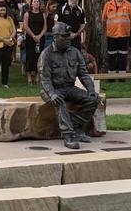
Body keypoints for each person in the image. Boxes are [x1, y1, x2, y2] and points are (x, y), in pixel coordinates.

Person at [38, 22, 99, 150]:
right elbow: (45, 80)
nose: (67, 39)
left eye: (68, 36)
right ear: (55, 37)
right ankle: (68, 136)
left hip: (69, 87)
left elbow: (83, 74)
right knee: (60, 102)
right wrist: (53, 94)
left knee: (93, 99)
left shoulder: (75, 52)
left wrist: (91, 90)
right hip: (51, 89)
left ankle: (75, 128)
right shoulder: (46, 54)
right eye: (63, 36)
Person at [102, 0, 131, 73]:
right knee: (111, 55)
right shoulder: (107, 5)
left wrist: (127, 28)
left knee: (123, 55)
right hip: (111, 35)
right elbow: (104, 19)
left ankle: (122, 74)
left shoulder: (129, 5)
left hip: (124, 34)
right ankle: (111, 74)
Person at [21, 0, 48, 84]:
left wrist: (39, 36)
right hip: (30, 38)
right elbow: (26, 26)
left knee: (39, 56)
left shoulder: (43, 14)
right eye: (34, 2)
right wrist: (33, 36)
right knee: (30, 56)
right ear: (31, 4)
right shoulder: (27, 14)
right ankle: (29, 76)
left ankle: (37, 75)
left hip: (40, 38)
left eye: (37, 2)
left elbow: (45, 27)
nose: (36, 3)